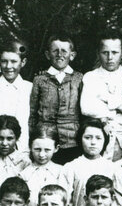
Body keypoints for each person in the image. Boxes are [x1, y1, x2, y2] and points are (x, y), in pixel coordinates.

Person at [29, 33, 83, 165]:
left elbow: (83, 110)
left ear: (72, 55)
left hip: (72, 139)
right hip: (45, 140)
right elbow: (32, 111)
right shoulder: (40, 80)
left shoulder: (79, 78)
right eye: (55, 50)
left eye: (64, 50)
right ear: (48, 55)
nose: (60, 54)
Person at [80, 30, 122, 160]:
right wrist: (116, 108)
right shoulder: (90, 77)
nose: (110, 58)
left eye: (115, 52)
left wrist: (105, 99)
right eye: (105, 53)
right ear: (98, 53)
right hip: (97, 139)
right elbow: (86, 107)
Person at [64, 119, 122, 206]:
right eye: (88, 138)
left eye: (98, 138)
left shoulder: (113, 168)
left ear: (105, 140)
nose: (93, 142)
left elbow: (118, 203)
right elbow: (66, 202)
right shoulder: (71, 167)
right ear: (80, 139)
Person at [0, 41, 32, 153]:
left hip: (25, 152)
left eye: (14, 61)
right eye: (4, 61)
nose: (8, 66)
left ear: (23, 62)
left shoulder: (30, 89)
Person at [20, 129, 72, 206]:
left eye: (47, 150)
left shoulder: (62, 172)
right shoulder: (24, 175)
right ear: (30, 147)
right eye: (37, 149)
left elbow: (68, 203)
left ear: (56, 148)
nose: (41, 154)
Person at [0, 115, 28, 205]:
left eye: (9, 138)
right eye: (0, 138)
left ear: (16, 138)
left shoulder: (24, 161)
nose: (4, 143)